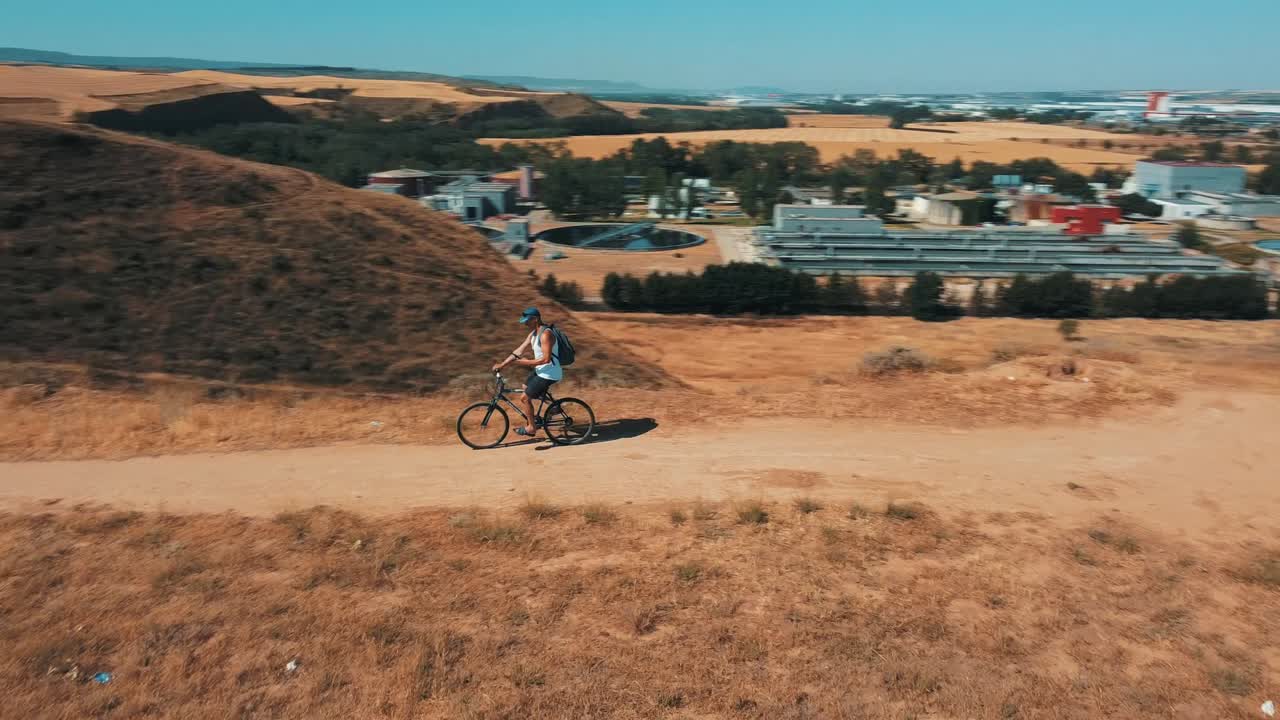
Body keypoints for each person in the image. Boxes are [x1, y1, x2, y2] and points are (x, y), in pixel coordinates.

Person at [492, 306, 562, 437]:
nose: (525, 324)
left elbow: (546, 359)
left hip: (550, 372)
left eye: (527, 321)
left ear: (535, 319)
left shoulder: (546, 334)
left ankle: (531, 428)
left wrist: (525, 362)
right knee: (525, 387)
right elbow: (518, 351)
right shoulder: (533, 334)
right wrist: (503, 364)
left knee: (525, 398)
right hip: (541, 370)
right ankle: (554, 406)